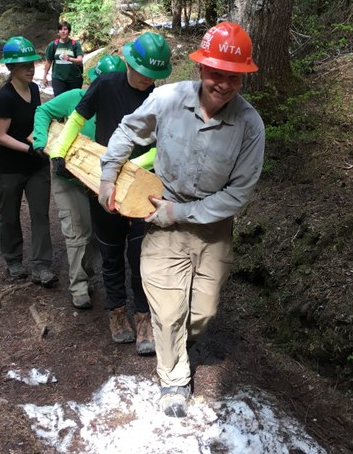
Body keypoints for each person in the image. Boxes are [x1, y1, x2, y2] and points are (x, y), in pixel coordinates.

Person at [97, 22, 265, 417]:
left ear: (242, 78)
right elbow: (128, 130)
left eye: (232, 77)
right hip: (162, 218)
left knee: (202, 313)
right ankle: (173, 379)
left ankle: (178, 342)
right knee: (168, 310)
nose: (222, 84)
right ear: (200, 69)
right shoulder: (167, 99)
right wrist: (108, 172)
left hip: (212, 228)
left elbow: (238, 194)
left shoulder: (250, 126)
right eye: (215, 73)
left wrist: (184, 213)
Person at [50, 32, 173, 356]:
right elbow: (77, 118)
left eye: (154, 76)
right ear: (131, 62)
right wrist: (59, 153)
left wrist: (129, 166)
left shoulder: (156, 99)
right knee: (111, 251)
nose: (148, 80)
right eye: (144, 73)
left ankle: (143, 317)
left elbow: (161, 146)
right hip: (102, 183)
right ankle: (117, 313)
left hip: (143, 186)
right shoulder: (105, 85)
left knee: (142, 256)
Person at [31, 55, 127, 309]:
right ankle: (79, 287)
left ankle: (87, 274)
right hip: (68, 178)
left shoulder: (121, 106)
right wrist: (42, 142)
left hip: (97, 181)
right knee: (77, 231)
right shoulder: (75, 97)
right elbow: (43, 111)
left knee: (96, 232)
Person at [0, 36, 58, 287]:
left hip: (36, 165)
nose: (30, 68)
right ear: (10, 68)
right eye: (23, 65)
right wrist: (28, 149)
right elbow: (0, 136)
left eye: (32, 63)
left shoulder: (34, 89)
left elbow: (37, 121)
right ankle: (13, 260)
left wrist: (46, 139)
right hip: (8, 168)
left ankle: (42, 266)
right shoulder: (4, 98)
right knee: (9, 216)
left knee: (40, 214)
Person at [42, 21, 84, 97]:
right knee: (59, 102)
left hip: (74, 79)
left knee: (74, 102)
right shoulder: (53, 45)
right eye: (61, 29)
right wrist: (44, 77)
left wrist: (69, 59)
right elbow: (48, 62)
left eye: (65, 29)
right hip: (58, 79)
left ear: (69, 31)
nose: (63, 31)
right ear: (58, 32)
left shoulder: (75, 44)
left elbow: (80, 60)